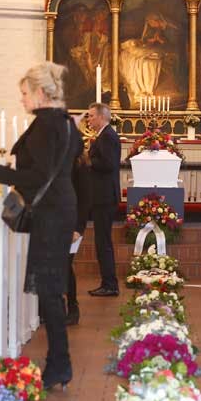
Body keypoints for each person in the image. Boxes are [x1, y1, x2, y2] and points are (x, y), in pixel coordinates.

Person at [0, 62, 83, 391]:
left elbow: (37, 177)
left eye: (25, 93)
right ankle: (59, 362)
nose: (22, 99)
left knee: (48, 288)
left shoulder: (47, 126)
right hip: (60, 208)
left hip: (51, 212)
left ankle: (60, 363)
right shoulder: (66, 123)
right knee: (49, 288)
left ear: (41, 94)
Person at [86, 102, 120, 297]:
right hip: (102, 195)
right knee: (102, 241)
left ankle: (110, 284)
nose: (89, 120)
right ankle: (108, 282)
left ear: (101, 117)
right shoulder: (104, 136)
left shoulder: (107, 136)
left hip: (104, 196)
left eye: (91, 116)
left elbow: (108, 164)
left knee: (103, 241)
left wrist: (86, 160)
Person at [66, 149, 92, 325]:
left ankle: (73, 307)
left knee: (65, 264)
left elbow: (84, 199)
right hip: (55, 220)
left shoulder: (79, 164)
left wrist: (78, 228)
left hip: (72, 222)